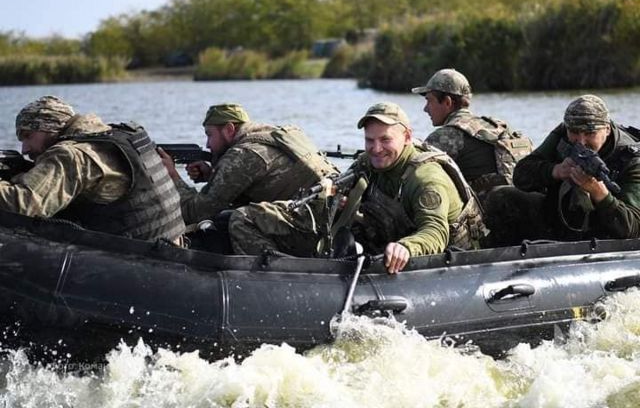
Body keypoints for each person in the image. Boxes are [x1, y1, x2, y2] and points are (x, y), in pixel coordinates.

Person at [228, 102, 485, 273]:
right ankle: (283, 270)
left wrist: (406, 248)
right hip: (383, 241)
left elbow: (435, 232)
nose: (376, 148)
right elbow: (337, 186)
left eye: (385, 140)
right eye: (369, 140)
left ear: (407, 137)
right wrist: (333, 200)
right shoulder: (369, 162)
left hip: (445, 264)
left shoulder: (426, 178)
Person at [0, 95, 185, 243]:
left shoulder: (71, 155)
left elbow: (23, 204)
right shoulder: (117, 135)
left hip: (139, 261)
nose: (24, 149)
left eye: (27, 136)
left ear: (48, 127)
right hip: (170, 246)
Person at [484, 94, 640, 245]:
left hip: (602, 236)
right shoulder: (563, 133)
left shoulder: (631, 158)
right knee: (501, 197)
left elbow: (632, 228)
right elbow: (521, 175)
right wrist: (555, 171)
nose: (581, 142)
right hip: (557, 220)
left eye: (590, 133)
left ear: (606, 129)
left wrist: (600, 194)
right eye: (575, 133)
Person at [158, 102, 338, 227]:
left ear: (229, 129)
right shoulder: (269, 134)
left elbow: (196, 212)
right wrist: (214, 174)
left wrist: (172, 176)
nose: (207, 144)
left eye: (209, 135)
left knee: (233, 219)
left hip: (311, 220)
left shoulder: (242, 155)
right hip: (327, 210)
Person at [412, 68, 533, 203]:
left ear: (447, 102)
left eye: (429, 100)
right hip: (521, 206)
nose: (425, 108)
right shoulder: (497, 126)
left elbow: (413, 176)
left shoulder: (446, 135)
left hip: (486, 216)